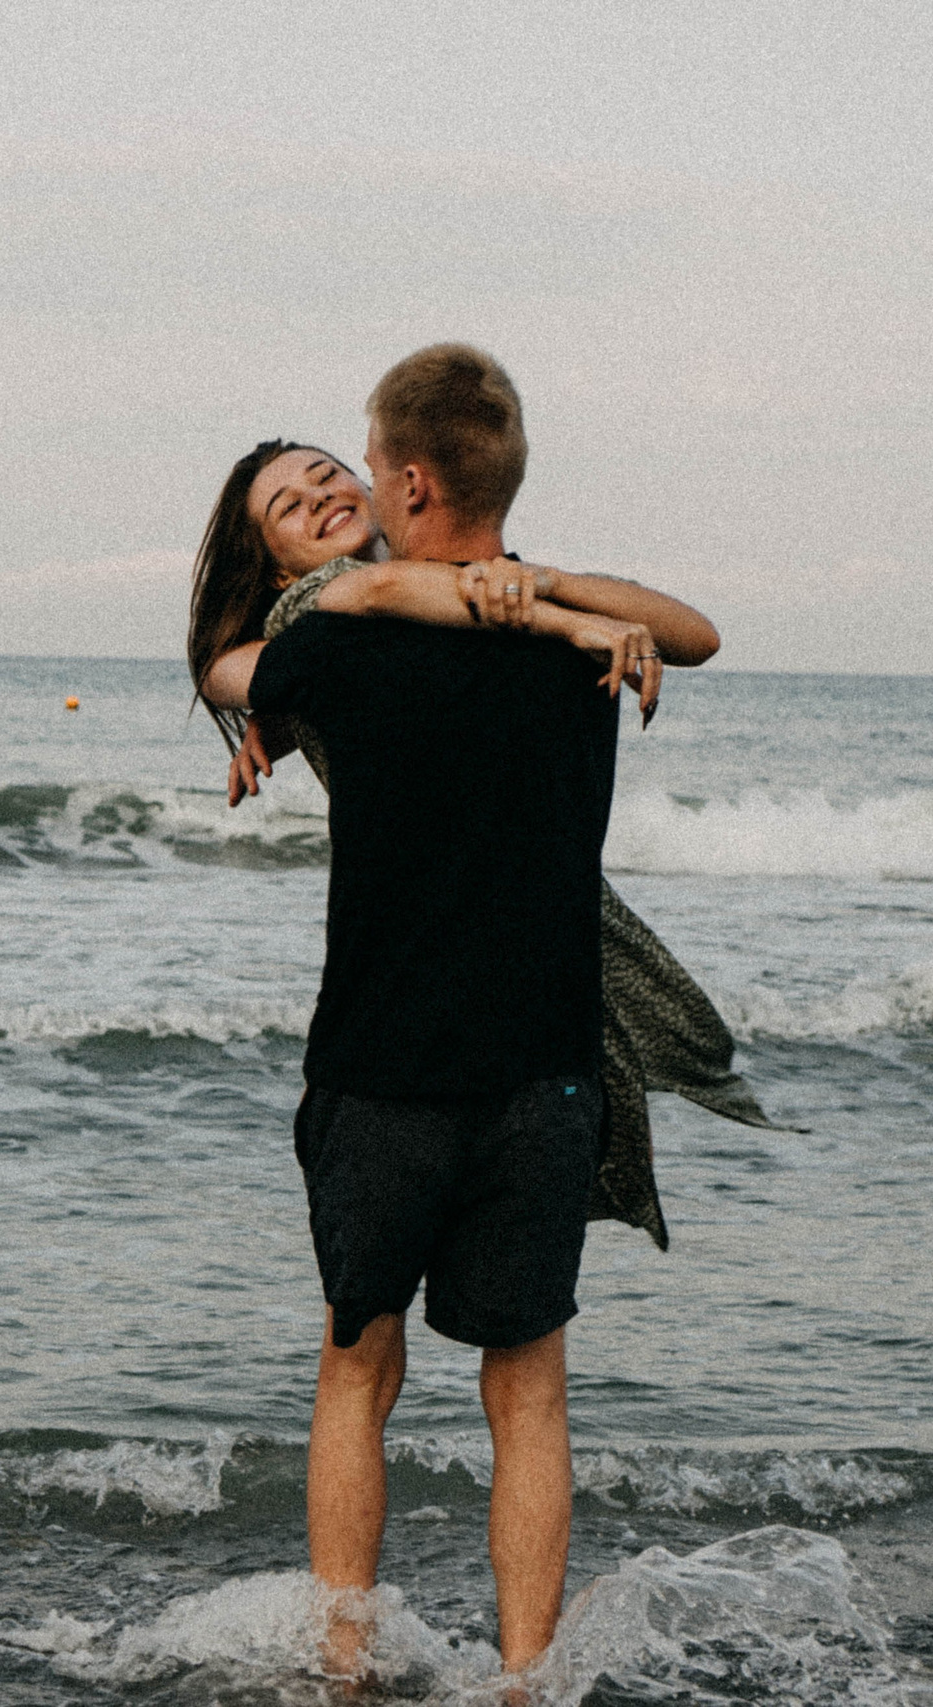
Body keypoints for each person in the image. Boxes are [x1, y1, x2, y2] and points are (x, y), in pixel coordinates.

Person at [194, 344, 778, 1688]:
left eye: (336, 471)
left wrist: (293, 701)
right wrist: (558, 605)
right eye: (296, 497)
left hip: (382, 1066)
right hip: (544, 1069)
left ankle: (344, 1668)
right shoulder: (571, 648)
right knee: (529, 1394)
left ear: (404, 478)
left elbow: (252, 665)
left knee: (359, 1375)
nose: (329, 491)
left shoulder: (323, 655)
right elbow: (689, 629)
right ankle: (523, 1682)